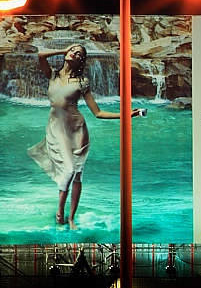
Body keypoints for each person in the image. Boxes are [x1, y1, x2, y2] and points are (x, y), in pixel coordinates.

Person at [27, 43, 143, 227]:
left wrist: (127, 114)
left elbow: (98, 112)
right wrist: (63, 50)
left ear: (81, 60)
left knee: (77, 174)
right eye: (72, 49)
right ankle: (60, 212)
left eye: (78, 53)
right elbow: (41, 55)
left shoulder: (82, 82)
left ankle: (71, 217)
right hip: (57, 130)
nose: (73, 53)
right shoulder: (53, 75)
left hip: (77, 130)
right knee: (69, 170)